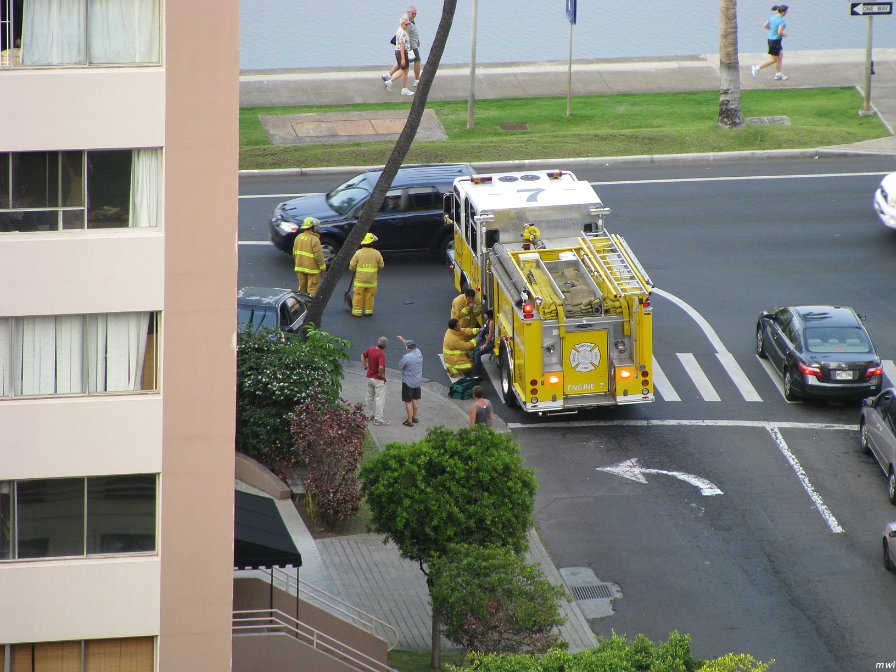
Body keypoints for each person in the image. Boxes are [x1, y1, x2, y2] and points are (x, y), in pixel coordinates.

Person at [384, 6, 422, 88]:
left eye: (415, 13)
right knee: (413, 63)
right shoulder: (406, 22)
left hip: (409, 46)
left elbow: (411, 34)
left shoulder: (409, 19)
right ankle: (416, 80)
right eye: (413, 13)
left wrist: (417, 42)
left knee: (403, 64)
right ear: (408, 12)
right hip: (410, 47)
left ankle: (388, 75)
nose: (414, 15)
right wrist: (407, 52)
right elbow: (404, 39)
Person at [349, 232, 385, 317]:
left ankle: (357, 312)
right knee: (370, 296)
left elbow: (352, 266)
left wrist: (353, 269)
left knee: (358, 295)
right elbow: (381, 265)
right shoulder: (377, 253)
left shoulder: (358, 253)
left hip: (360, 282)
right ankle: (368, 311)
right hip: (372, 282)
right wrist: (376, 271)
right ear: (372, 243)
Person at [751, 5, 789, 81]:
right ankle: (756, 69)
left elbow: (765, 25)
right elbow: (779, 32)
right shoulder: (782, 21)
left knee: (780, 56)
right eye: (786, 11)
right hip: (775, 42)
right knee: (774, 60)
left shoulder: (772, 17)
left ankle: (778, 75)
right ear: (782, 12)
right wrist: (784, 34)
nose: (787, 13)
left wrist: (772, 30)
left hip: (771, 40)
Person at [292, 216, 326, 296]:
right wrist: (323, 268)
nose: (316, 228)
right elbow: (319, 256)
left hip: (300, 268)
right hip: (312, 270)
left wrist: (298, 263)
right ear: (312, 227)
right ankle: (310, 303)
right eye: (315, 226)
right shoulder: (315, 240)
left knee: (302, 288)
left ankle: (301, 302)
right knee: (312, 289)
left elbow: (294, 253)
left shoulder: (298, 237)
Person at [381, 15, 414, 96]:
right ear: (402, 24)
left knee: (404, 70)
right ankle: (403, 89)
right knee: (405, 71)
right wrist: (403, 58)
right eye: (406, 24)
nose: (407, 25)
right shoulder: (402, 32)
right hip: (402, 52)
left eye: (408, 24)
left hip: (399, 52)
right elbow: (402, 45)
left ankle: (389, 79)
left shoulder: (399, 30)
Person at [396, 335, 423, 426]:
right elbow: (408, 344)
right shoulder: (419, 352)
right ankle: (414, 417)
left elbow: (400, 366)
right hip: (417, 381)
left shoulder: (407, 357)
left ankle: (409, 420)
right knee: (416, 400)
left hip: (408, 382)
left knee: (408, 402)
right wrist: (402, 340)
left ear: (408, 348)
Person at [362, 336, 389, 426]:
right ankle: (378, 419)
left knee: (369, 397)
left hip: (370, 377)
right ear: (385, 346)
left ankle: (368, 415)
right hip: (378, 380)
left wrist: (365, 367)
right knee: (379, 399)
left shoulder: (370, 349)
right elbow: (381, 367)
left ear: (378, 342)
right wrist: (381, 375)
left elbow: (362, 356)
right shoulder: (381, 354)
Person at [472, 308, 495, 378]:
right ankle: (476, 368)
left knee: (477, 353)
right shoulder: (488, 321)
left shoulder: (492, 323)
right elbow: (485, 329)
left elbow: (490, 335)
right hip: (487, 340)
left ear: (489, 315)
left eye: (485, 315)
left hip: (491, 342)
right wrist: (480, 334)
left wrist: (485, 344)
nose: (484, 316)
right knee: (475, 350)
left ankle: (478, 374)